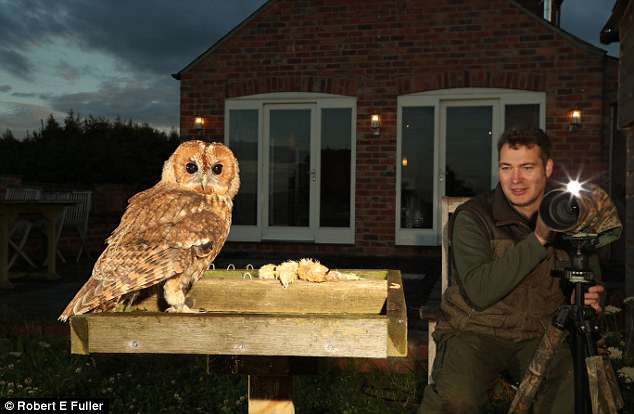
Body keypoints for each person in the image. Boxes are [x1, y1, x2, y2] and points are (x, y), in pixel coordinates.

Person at [419, 128, 604, 413]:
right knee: (455, 400)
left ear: (548, 167)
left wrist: (589, 297)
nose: (515, 179)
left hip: (542, 332)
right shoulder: (474, 216)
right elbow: (480, 292)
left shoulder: (570, 216)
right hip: (476, 330)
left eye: (526, 167)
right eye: (507, 168)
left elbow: (589, 278)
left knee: (571, 394)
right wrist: (539, 239)